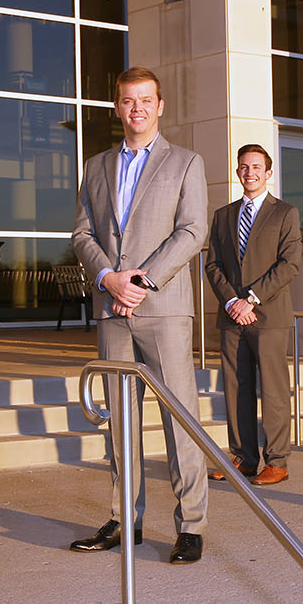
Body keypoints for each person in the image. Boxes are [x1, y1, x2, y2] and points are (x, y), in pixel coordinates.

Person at [68, 67, 210, 564]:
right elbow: (82, 233)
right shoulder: (97, 166)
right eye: (128, 101)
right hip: (112, 309)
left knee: (180, 419)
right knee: (119, 421)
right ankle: (124, 519)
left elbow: (193, 232)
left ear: (160, 105)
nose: (137, 109)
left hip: (163, 310)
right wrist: (110, 279)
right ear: (117, 107)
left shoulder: (186, 163)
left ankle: (190, 525)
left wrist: (141, 281)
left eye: (145, 100)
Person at [204, 144, 302, 487]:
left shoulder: (285, 213)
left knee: (273, 391)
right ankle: (244, 458)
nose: (250, 172)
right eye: (244, 167)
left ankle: (277, 461)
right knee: (235, 389)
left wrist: (251, 299)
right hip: (232, 317)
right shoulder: (223, 215)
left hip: (269, 316)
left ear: (269, 172)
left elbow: (290, 264)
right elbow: (212, 265)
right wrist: (232, 301)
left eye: (257, 167)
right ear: (237, 172)